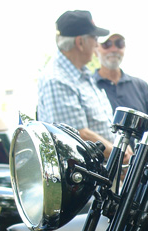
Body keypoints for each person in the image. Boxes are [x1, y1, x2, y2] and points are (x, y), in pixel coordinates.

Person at [37, 10, 119, 156]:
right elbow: (76, 135)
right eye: (94, 38)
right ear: (80, 42)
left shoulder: (82, 74)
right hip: (90, 174)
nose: (97, 44)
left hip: (106, 167)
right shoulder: (57, 79)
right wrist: (119, 156)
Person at [94, 33, 148, 119]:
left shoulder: (141, 86)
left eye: (119, 44)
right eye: (107, 44)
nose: (114, 49)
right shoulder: (87, 86)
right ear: (95, 50)